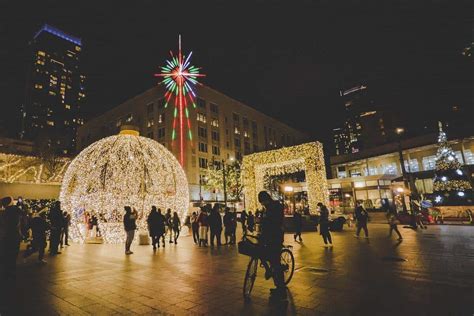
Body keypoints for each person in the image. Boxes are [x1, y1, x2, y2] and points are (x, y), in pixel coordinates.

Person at [258, 191, 287, 301]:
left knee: (275, 263)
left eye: (263, 202)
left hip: (275, 237)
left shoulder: (275, 207)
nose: (263, 204)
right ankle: (277, 285)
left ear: (267, 199)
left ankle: (281, 290)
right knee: (272, 261)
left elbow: (274, 223)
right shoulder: (267, 208)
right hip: (269, 237)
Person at [0, 197, 21, 279]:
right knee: (13, 254)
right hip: (13, 236)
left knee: (6, 254)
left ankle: (6, 271)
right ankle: (10, 271)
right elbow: (23, 214)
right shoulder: (15, 211)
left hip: (5, 236)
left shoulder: (3, 213)